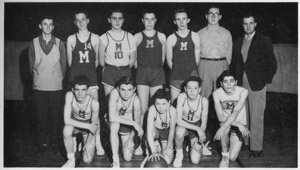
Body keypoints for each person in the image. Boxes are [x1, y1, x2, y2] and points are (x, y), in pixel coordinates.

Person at [230, 13, 277, 158]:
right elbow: (235, 63)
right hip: (240, 84)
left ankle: (256, 148)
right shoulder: (238, 41)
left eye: (251, 23)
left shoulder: (264, 40)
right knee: (243, 114)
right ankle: (244, 143)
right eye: (245, 23)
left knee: (256, 116)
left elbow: (272, 64)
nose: (248, 26)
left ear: (255, 24)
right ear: (242, 25)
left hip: (257, 83)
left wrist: (265, 80)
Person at [66, 11, 104, 155]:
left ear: (88, 20)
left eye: (83, 19)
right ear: (75, 23)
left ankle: (97, 142)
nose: (81, 22)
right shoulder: (71, 39)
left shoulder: (95, 38)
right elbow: (70, 63)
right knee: (74, 112)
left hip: (91, 81)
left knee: (95, 112)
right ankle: (77, 140)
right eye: (78, 20)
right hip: (75, 81)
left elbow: (95, 63)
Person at [29, 14, 67, 155]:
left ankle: (53, 142)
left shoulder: (59, 43)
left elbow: (63, 65)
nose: (48, 27)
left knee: (55, 116)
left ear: (53, 26)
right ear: (40, 26)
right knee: (41, 116)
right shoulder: (33, 42)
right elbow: (30, 66)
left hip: (55, 86)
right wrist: (38, 79)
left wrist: (57, 79)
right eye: (45, 24)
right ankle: (42, 142)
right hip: (39, 86)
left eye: (50, 24)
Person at [134, 10, 167, 130]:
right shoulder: (137, 36)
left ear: (155, 20)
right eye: (146, 19)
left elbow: (163, 58)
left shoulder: (162, 36)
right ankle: (140, 135)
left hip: (157, 72)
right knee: (143, 108)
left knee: (157, 106)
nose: (149, 22)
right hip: (142, 72)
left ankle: (155, 137)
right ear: (142, 21)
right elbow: (134, 60)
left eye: (152, 19)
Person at [213, 70, 250, 167]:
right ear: (221, 84)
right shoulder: (216, 93)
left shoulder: (243, 91)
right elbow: (220, 117)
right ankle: (224, 157)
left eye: (231, 81)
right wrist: (236, 125)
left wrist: (238, 124)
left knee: (233, 157)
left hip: (239, 121)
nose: (229, 85)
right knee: (223, 128)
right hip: (227, 122)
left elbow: (236, 111)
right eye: (225, 82)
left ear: (236, 82)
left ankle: (227, 144)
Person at [62, 75, 100, 168]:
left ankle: (82, 142)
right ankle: (71, 159)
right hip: (75, 124)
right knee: (66, 130)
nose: (80, 93)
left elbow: (94, 126)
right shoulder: (69, 95)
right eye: (77, 90)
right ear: (72, 90)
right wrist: (88, 126)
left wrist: (88, 143)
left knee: (87, 160)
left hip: (87, 129)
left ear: (87, 90)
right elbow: (67, 121)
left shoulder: (94, 103)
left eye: (83, 90)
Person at [99, 9, 137, 97]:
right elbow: (101, 61)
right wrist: (111, 69)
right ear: (109, 20)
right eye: (114, 18)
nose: (117, 21)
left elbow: (132, 59)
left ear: (123, 20)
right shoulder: (104, 37)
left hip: (125, 71)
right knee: (110, 100)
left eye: (120, 18)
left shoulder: (129, 37)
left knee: (126, 100)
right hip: (109, 71)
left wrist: (123, 68)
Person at [197, 6, 232, 99]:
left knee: (222, 95)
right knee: (203, 96)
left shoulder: (226, 33)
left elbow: (229, 53)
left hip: (221, 65)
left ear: (220, 17)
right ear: (206, 16)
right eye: (210, 14)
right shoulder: (199, 34)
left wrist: (223, 64)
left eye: (216, 14)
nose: (213, 17)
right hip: (204, 66)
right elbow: (195, 53)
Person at [166, 8, 200, 103]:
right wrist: (178, 70)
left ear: (188, 20)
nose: (181, 22)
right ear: (174, 22)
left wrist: (191, 71)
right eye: (178, 19)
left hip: (191, 74)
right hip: (176, 76)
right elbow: (169, 60)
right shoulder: (171, 38)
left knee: (192, 105)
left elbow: (197, 59)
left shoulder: (195, 36)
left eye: (184, 19)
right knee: (176, 104)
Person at [108, 76, 144, 167]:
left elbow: (137, 122)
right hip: (113, 123)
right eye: (123, 90)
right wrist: (134, 123)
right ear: (118, 89)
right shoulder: (114, 93)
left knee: (127, 157)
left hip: (126, 125)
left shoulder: (136, 101)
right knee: (114, 125)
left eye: (129, 90)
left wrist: (130, 139)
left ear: (134, 89)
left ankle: (123, 143)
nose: (126, 93)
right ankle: (115, 160)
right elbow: (112, 117)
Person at [173, 76, 209, 168]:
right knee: (179, 131)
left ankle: (192, 144)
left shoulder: (204, 101)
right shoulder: (181, 97)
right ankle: (179, 154)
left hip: (196, 127)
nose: (192, 91)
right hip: (184, 125)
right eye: (189, 88)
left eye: (195, 88)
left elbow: (204, 123)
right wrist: (198, 129)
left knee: (195, 161)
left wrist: (198, 141)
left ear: (199, 89)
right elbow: (178, 121)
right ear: (185, 89)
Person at [140, 89, 177, 167]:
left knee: (167, 160)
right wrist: (153, 151)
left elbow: (172, 131)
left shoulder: (173, 111)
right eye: (158, 104)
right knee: (151, 133)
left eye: (164, 104)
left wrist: (168, 147)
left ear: (169, 102)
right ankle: (149, 153)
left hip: (166, 133)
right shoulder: (152, 109)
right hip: (156, 131)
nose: (160, 107)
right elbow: (149, 132)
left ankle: (159, 147)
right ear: (154, 103)